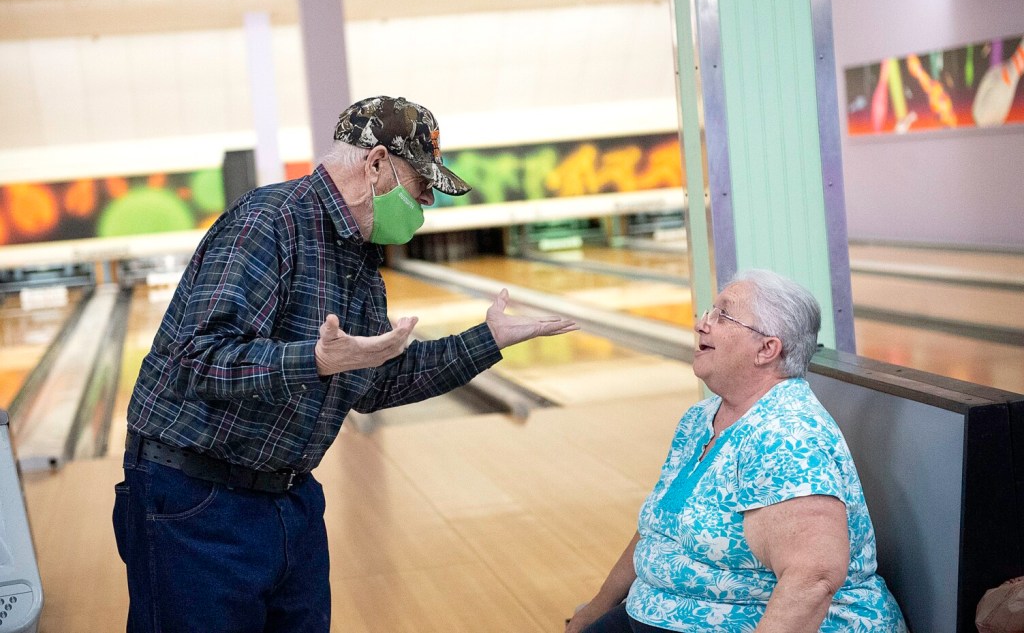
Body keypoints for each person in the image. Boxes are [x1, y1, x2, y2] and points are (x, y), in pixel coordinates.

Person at [113, 94, 579, 633]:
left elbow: (376, 382)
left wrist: (486, 339)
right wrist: (311, 360)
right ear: (377, 162)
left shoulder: (359, 258)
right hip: (196, 502)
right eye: (422, 182)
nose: (428, 199)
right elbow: (199, 361)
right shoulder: (269, 222)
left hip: (290, 499)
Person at [566, 269, 906, 633]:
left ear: (766, 349)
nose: (702, 324)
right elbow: (656, 530)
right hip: (654, 611)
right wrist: (595, 611)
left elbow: (813, 580)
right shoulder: (701, 418)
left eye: (722, 315)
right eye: (709, 312)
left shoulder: (788, 435)